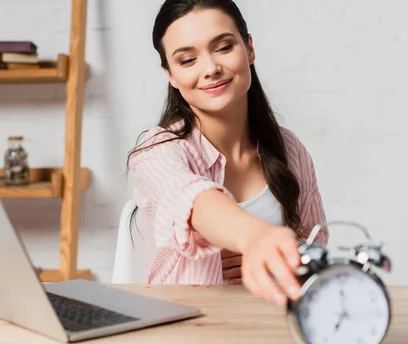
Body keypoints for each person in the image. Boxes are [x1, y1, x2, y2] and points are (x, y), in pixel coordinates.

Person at [127, 0, 328, 306]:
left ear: (249, 48)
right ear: (170, 74)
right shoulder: (156, 153)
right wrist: (256, 238)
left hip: (274, 330)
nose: (210, 69)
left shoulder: (290, 149)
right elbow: (192, 198)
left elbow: (314, 245)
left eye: (223, 47)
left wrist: (282, 261)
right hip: (187, 334)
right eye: (187, 60)